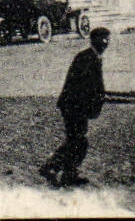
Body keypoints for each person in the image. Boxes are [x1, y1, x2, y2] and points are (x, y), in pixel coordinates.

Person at [40, 27, 109, 188]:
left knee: (77, 139)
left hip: (76, 105)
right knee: (78, 141)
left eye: (108, 40)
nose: (107, 43)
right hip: (74, 106)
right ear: (95, 41)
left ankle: (68, 173)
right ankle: (52, 167)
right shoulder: (86, 58)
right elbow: (84, 86)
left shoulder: (92, 56)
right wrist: (94, 101)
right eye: (104, 40)